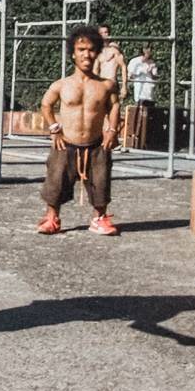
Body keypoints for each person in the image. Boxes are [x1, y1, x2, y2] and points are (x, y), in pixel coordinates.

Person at [37, 25, 121, 236]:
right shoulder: (62, 84)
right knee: (56, 180)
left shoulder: (106, 85)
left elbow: (115, 107)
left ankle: (99, 218)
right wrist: (54, 129)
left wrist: (112, 130)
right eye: (81, 49)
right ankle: (52, 218)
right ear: (73, 53)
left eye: (91, 49)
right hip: (66, 143)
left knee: (100, 181)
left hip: (96, 144)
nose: (86, 54)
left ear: (97, 52)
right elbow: (46, 105)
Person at [120, 47, 158, 149]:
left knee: (149, 115)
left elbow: (155, 77)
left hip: (149, 91)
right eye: (146, 52)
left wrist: (150, 71)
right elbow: (130, 76)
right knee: (139, 114)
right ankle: (135, 138)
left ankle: (146, 140)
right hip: (140, 92)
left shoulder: (152, 62)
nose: (148, 54)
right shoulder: (135, 62)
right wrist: (140, 72)